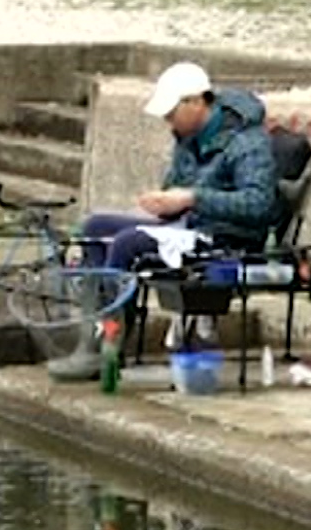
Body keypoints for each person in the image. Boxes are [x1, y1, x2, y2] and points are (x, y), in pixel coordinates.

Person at [80, 62, 279, 340]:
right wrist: (161, 203)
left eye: (171, 113)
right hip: (185, 224)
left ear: (196, 103)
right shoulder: (187, 138)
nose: (167, 120)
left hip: (225, 237)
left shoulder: (248, 143)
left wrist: (192, 198)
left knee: (128, 242)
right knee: (95, 227)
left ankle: (112, 335)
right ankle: (98, 322)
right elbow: (175, 185)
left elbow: (259, 204)